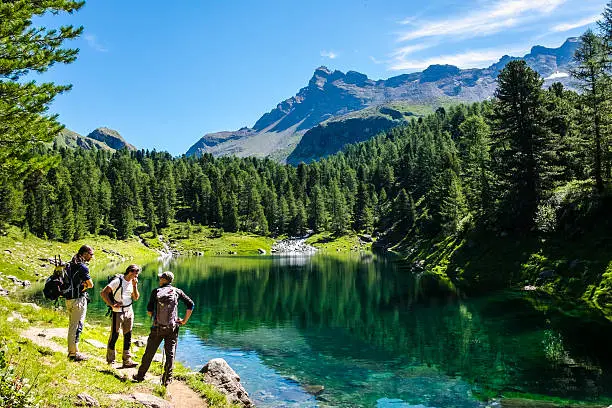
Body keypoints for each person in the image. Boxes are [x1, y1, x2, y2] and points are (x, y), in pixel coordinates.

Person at [133, 271, 194, 386]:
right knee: (170, 354)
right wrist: (184, 321)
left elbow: (149, 312)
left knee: (149, 352)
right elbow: (191, 304)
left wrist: (157, 316)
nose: (159, 279)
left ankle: (140, 376)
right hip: (172, 328)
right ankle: (167, 380)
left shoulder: (156, 291)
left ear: (164, 280)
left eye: (161, 278)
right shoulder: (177, 292)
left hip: (157, 328)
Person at [101, 264, 141, 367]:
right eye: (136, 274)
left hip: (129, 311)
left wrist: (135, 285)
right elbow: (103, 293)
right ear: (130, 272)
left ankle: (127, 360)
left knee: (128, 335)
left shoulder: (132, 282)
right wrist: (111, 304)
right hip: (117, 312)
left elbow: (136, 297)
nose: (137, 277)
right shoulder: (118, 281)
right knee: (115, 335)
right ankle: (110, 360)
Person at [66, 245, 94, 361]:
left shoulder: (70, 264)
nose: (92, 257)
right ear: (84, 253)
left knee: (74, 325)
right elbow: (91, 284)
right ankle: (73, 353)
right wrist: (85, 286)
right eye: (91, 254)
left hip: (69, 298)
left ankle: (75, 350)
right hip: (78, 299)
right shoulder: (82, 267)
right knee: (75, 326)